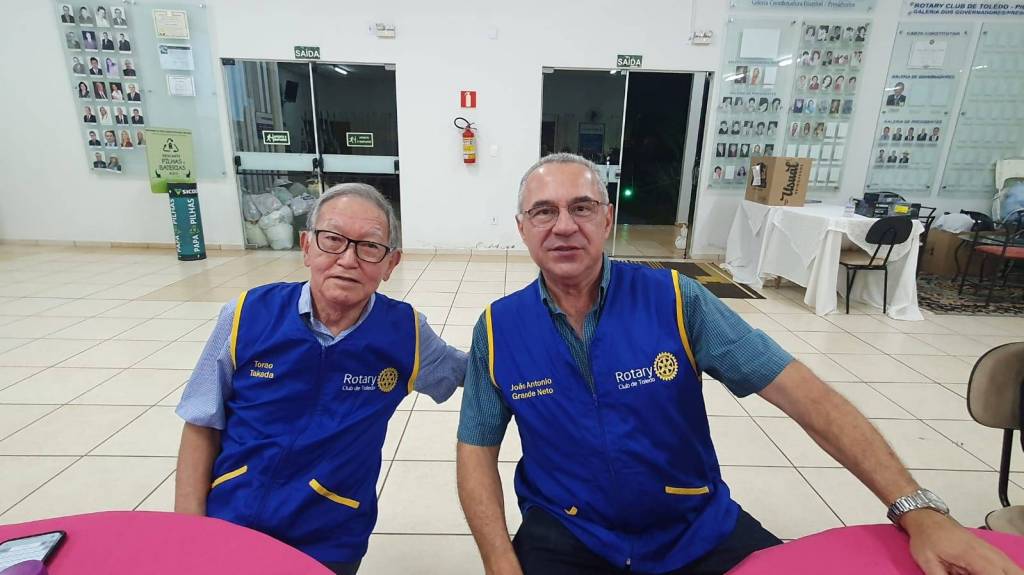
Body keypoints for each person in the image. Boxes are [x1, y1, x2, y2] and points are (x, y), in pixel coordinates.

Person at [455, 153, 1023, 575]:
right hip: (568, 535)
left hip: (692, 528)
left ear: (607, 220)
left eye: (581, 208)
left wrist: (918, 511)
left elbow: (809, 397)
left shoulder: (677, 301)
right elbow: (475, 453)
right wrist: (500, 562)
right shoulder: (498, 330)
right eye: (544, 212)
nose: (563, 225)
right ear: (522, 228)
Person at [174, 183, 466, 575]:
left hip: (332, 534)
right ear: (307, 246)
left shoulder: (406, 333)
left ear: (390, 263)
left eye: (369, 246)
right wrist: (189, 532)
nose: (348, 259)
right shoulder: (246, 314)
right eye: (332, 239)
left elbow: (468, 371)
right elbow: (201, 423)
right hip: (232, 517)